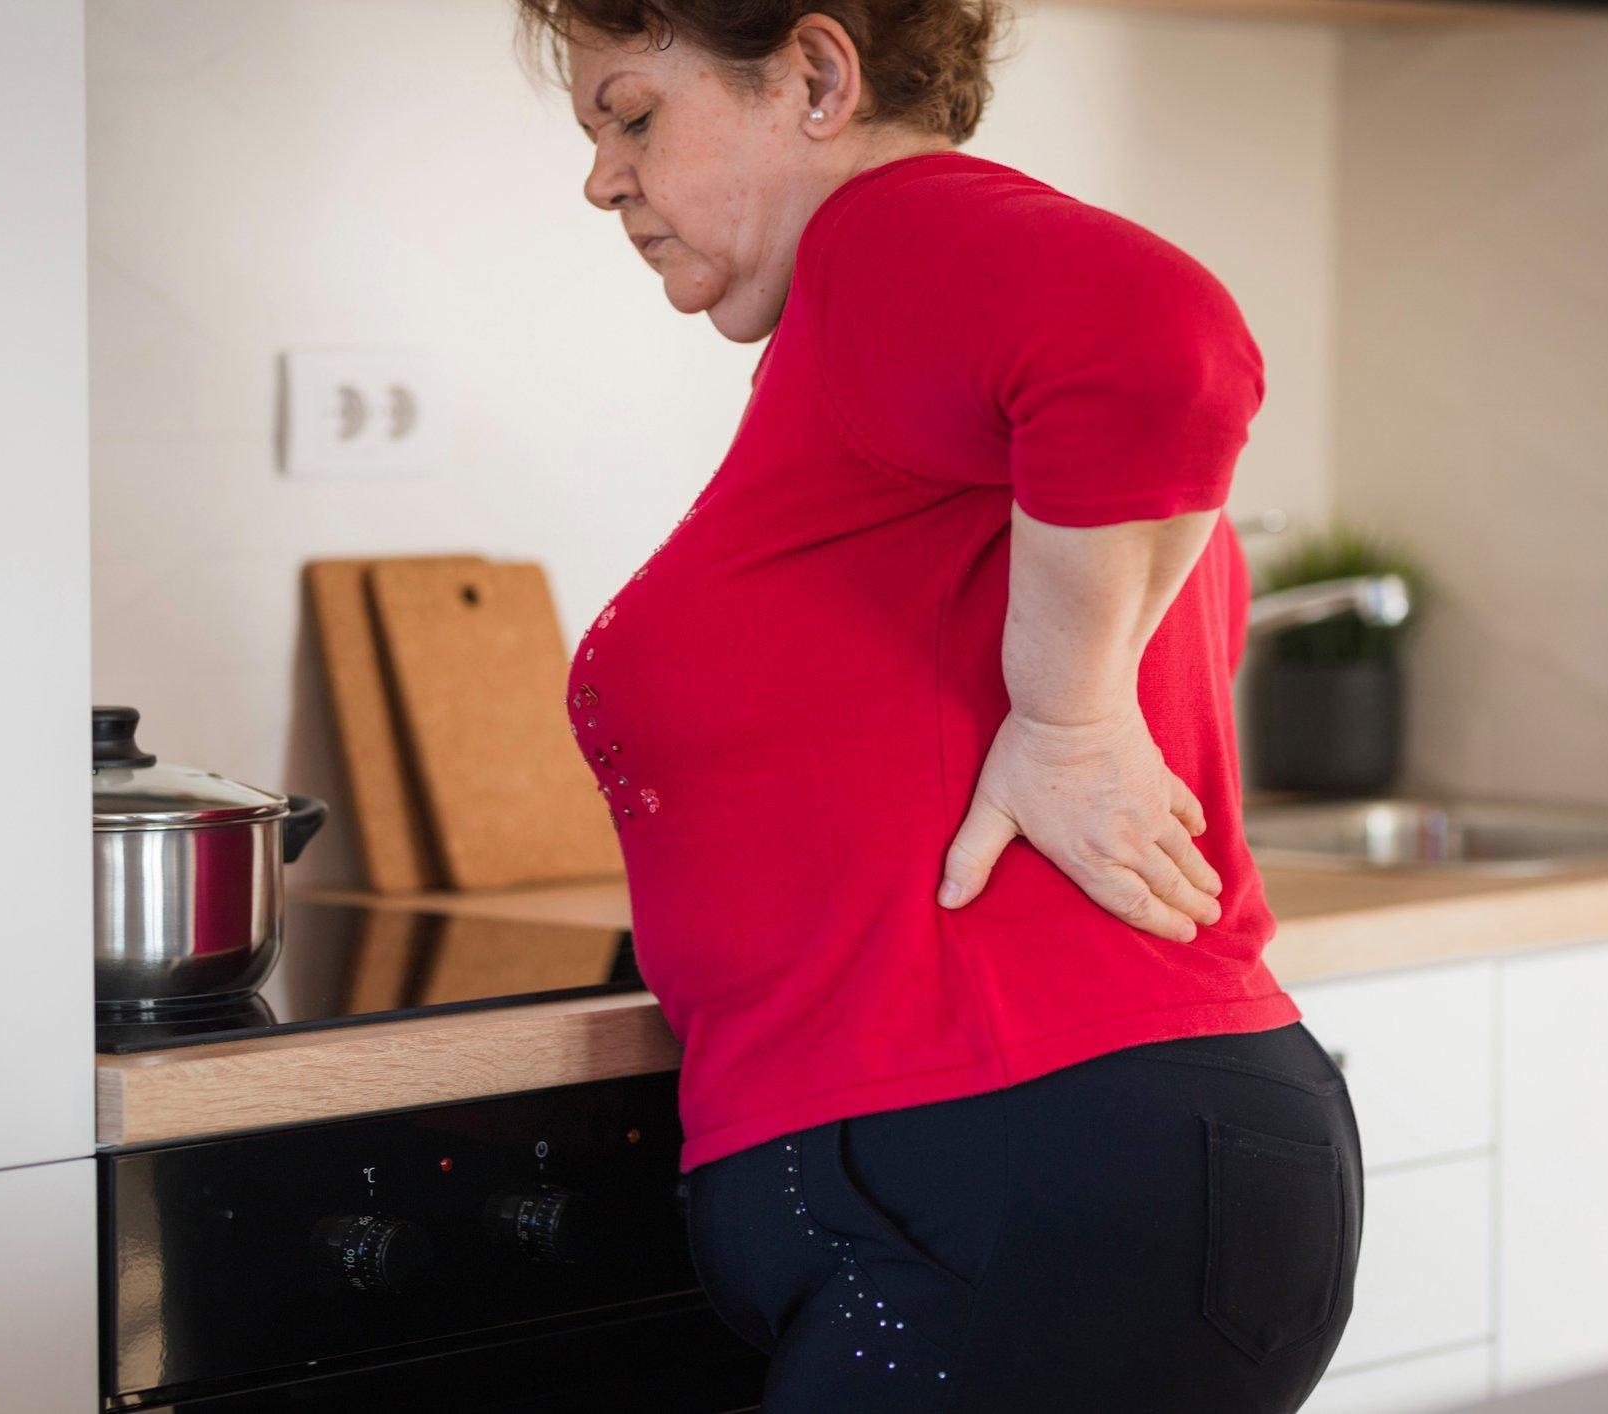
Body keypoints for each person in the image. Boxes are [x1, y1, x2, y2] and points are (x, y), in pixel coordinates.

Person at [514, 2, 1364, 1409]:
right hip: (1030, 1172)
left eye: (634, 114)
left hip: (1023, 1162)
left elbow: (1164, 336)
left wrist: (1069, 720)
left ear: (816, 74)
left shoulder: (894, 235)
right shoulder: (886, 347)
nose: (602, 177)